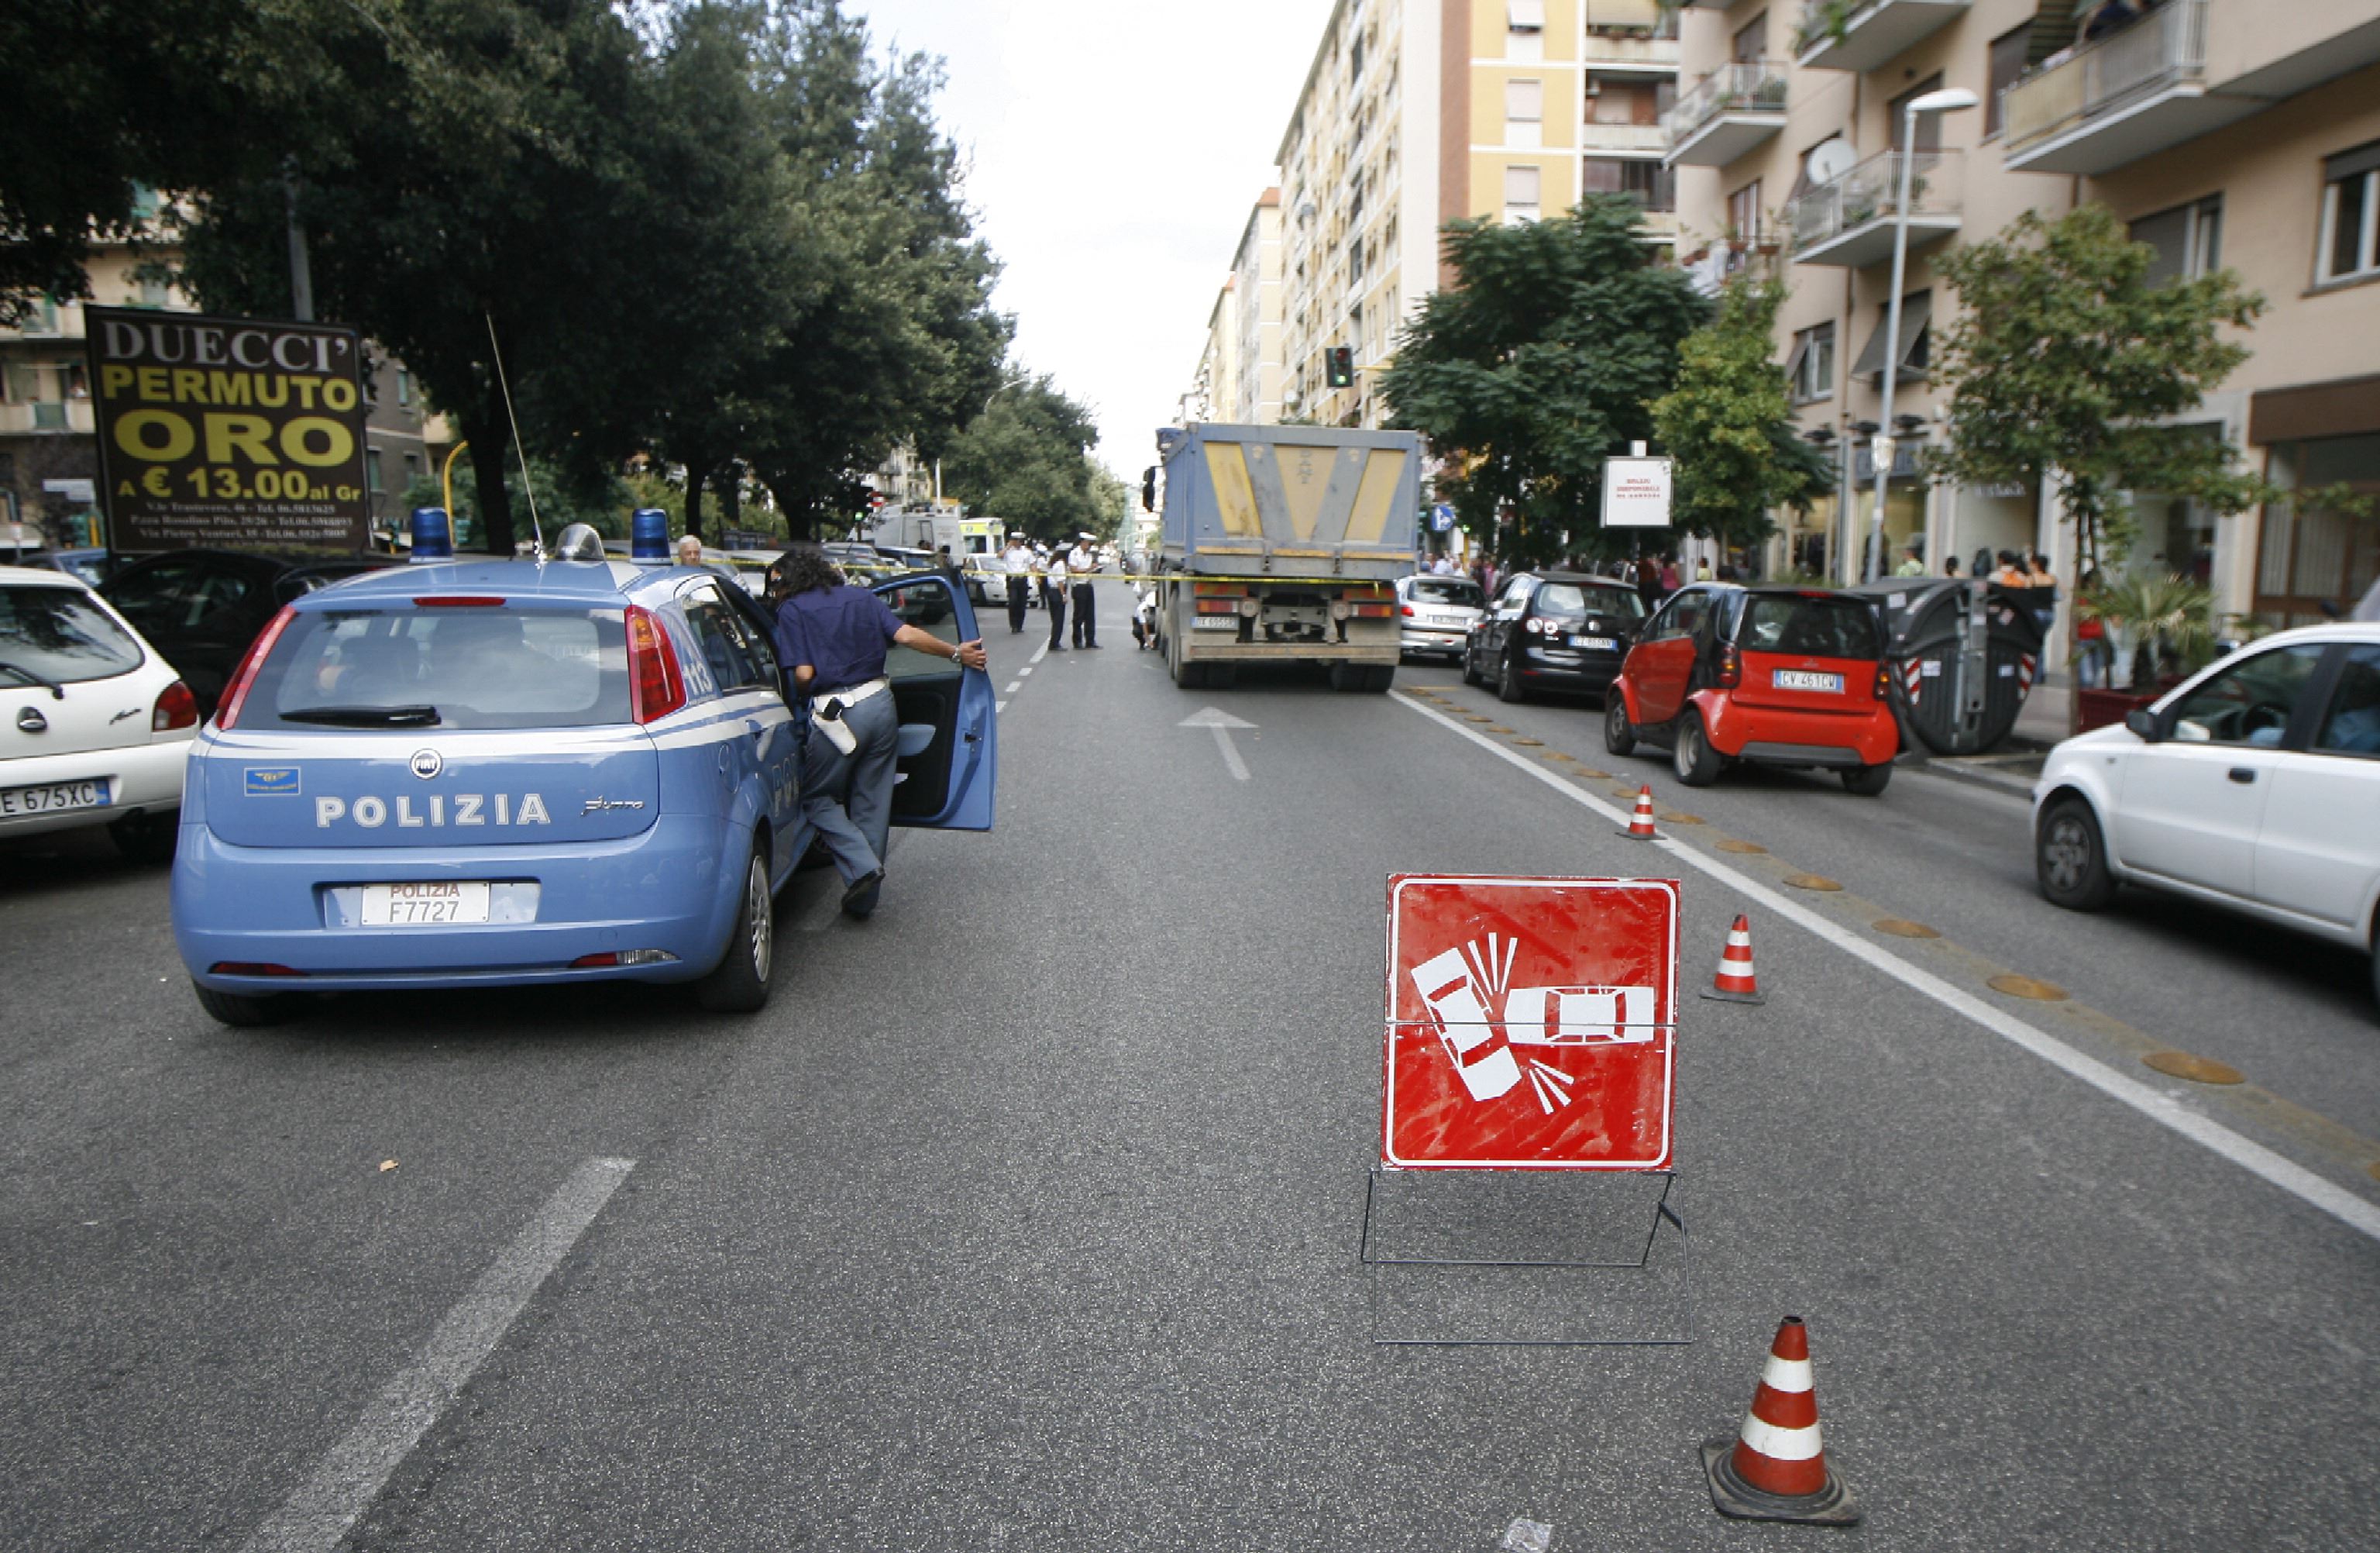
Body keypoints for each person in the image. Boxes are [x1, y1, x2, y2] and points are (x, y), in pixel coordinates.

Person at [772, 545, 986, 920]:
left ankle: (862, 866)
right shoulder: (862, 597)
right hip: (882, 705)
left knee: (817, 798)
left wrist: (802, 691)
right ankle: (863, 900)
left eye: (776, 587)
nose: (775, 595)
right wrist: (956, 654)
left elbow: (804, 675)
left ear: (791, 582)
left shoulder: (792, 610)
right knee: (872, 802)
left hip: (835, 715)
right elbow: (907, 636)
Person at [1067, 533, 1100, 648]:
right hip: (1079, 586)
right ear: (1082, 542)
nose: (1089, 546)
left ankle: (1090, 640)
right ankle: (1077, 641)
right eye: (1088, 543)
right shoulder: (1074, 553)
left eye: (1091, 544)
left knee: (1090, 615)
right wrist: (1089, 569)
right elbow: (1074, 570)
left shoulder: (1089, 555)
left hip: (1088, 584)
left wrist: (1095, 569)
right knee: (1079, 615)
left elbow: (1090, 570)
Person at [999, 533, 1034, 635]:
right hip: (1012, 579)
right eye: (1015, 540)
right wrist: (1008, 546)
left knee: (1022, 603)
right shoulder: (1008, 551)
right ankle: (1013, 625)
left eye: (1019, 540)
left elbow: (1032, 564)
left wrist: (1037, 575)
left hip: (1022, 579)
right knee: (1013, 601)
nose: (1017, 542)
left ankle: (1019, 625)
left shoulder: (1027, 552)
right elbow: (999, 555)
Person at [1044, 542, 1069, 650]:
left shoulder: (1053, 563)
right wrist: (1063, 594)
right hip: (1057, 592)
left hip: (1051, 591)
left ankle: (1054, 642)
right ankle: (1054, 643)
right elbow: (1060, 581)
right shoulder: (1061, 564)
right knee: (1058, 620)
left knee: (1055, 619)